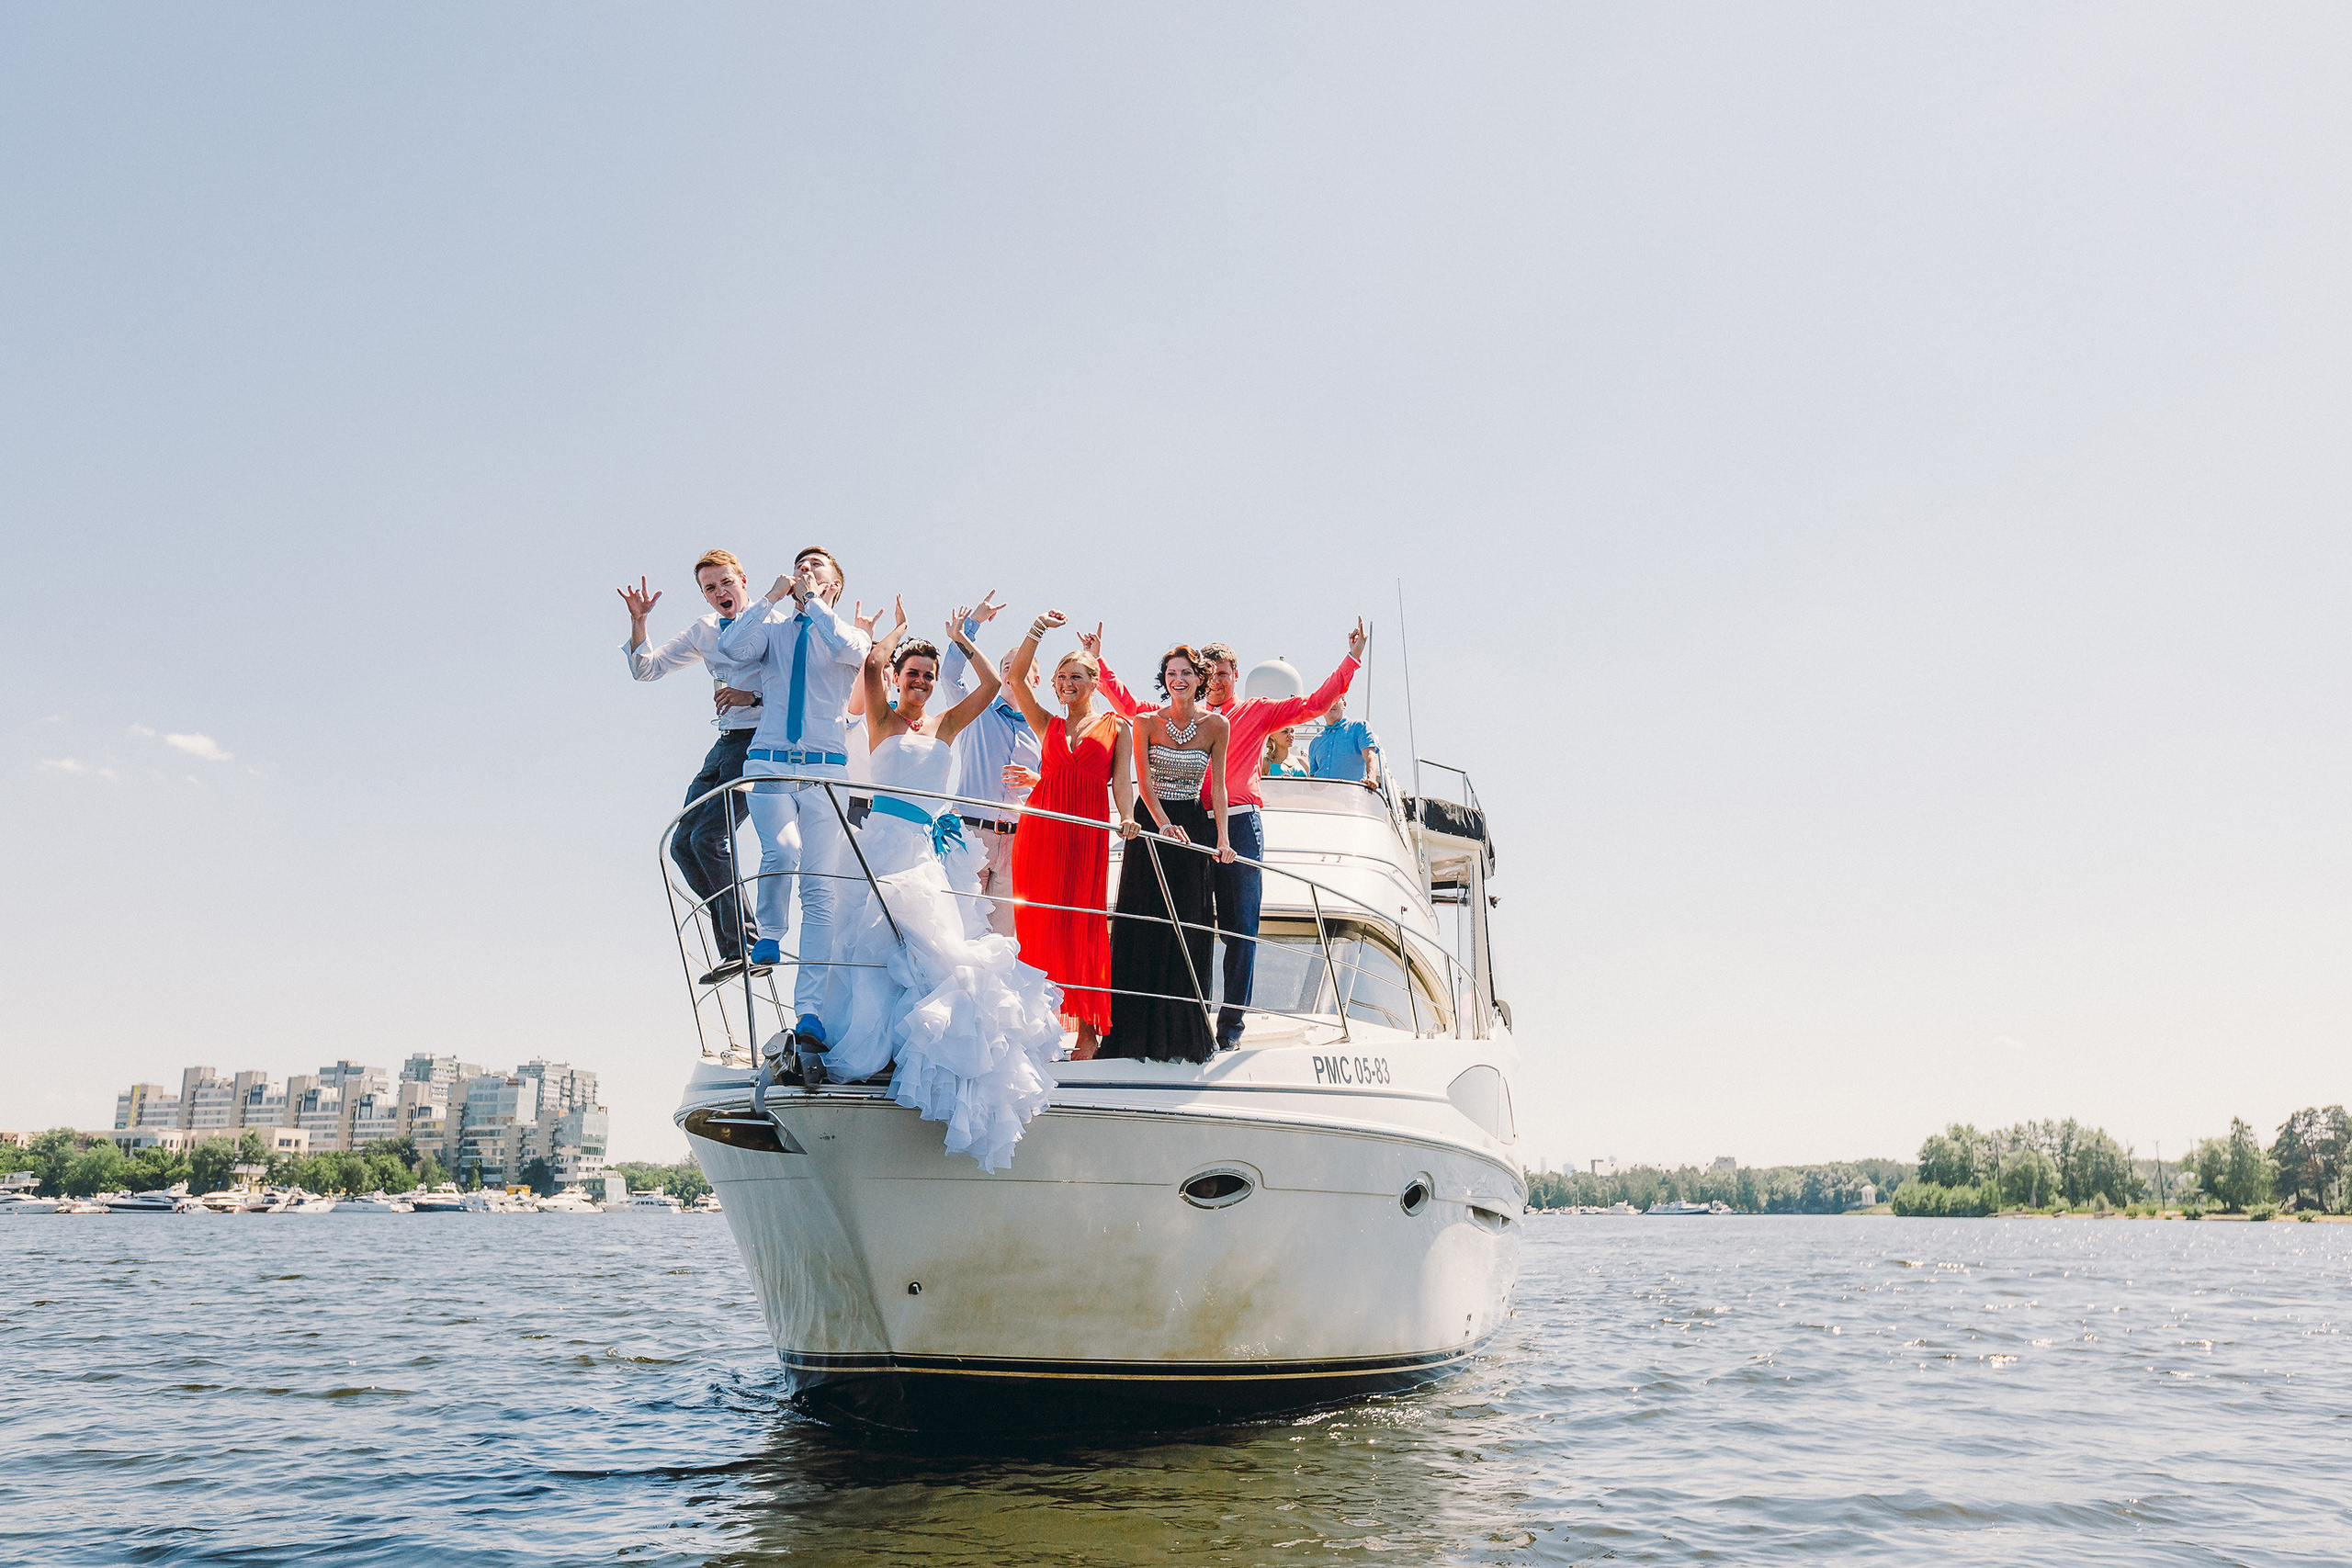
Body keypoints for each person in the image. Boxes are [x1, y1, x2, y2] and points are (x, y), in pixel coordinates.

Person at [814, 607, 1064, 1168]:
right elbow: (874, 660)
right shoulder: (880, 717)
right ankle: (868, 1048)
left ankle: (911, 1054)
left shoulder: (945, 725)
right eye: (914, 673)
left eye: (929, 674)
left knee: (931, 948)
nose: (922, 682)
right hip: (879, 843)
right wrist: (896, 635)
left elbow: (995, 686)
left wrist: (960, 641)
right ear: (900, 678)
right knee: (867, 940)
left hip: (924, 849)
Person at [1096, 618, 1366, 1048]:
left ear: (1234, 676)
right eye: (1211, 673)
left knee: (1240, 928)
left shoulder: (1257, 711)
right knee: (1192, 923)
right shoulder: (1181, 715)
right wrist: (1100, 664)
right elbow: (1130, 705)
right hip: (1189, 823)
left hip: (1237, 822)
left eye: (1224, 673)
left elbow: (1315, 704)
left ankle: (1230, 1029)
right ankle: (1185, 1020)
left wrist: (1351, 659)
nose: (1217, 681)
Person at [712, 547, 872, 1062]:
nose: (804, 571)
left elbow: (852, 648)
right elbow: (735, 649)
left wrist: (815, 605)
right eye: (799, 565)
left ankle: (810, 1013)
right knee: (781, 851)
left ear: (834, 585)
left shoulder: (848, 633)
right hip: (769, 763)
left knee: (820, 892)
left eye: (815, 568)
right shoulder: (775, 629)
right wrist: (771, 598)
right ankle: (772, 933)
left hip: (826, 771)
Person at [617, 550, 766, 985]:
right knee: (684, 843)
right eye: (710, 588)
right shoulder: (704, 630)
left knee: (710, 836)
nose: (720, 592)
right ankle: (733, 946)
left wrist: (752, 697)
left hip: (762, 737)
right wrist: (639, 622)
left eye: (726, 582)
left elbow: (803, 691)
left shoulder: (771, 623)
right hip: (725, 742)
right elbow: (646, 670)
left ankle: (749, 943)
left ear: (743, 579)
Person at [1004, 611, 1137, 1060]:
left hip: (1087, 833)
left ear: (1094, 682)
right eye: (1061, 677)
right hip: (1042, 831)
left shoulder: (1116, 727)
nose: (1066, 684)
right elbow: (1019, 678)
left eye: (1076, 676)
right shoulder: (1048, 724)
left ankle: (1087, 1031)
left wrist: (1127, 817)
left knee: (1083, 925)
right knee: (1040, 924)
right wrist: (1036, 630)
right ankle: (1039, 1025)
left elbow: (1121, 781)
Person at [1100, 646, 1233, 1064]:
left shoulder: (1217, 725)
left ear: (1200, 679)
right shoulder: (1144, 722)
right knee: (1145, 921)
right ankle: (1133, 1032)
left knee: (1188, 925)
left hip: (1193, 827)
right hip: (1153, 824)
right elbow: (1142, 782)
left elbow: (1220, 788)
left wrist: (1223, 839)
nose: (1178, 680)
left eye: (1186, 673)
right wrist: (1161, 824)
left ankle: (1182, 1035)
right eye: (1170, 673)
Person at [938, 591, 1044, 940]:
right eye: (1006, 668)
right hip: (972, 832)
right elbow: (950, 677)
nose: (1013, 673)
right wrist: (972, 625)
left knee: (1003, 939)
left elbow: (1058, 781)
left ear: (1036, 680)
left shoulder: (1045, 729)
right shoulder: (978, 712)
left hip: (1019, 842)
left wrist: (1037, 779)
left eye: (1022, 668)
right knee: (962, 928)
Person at [1306, 694, 1380, 787]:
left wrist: (1371, 779)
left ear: (1344, 704)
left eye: (1335, 700)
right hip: (1322, 799)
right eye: (1326, 701)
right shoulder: (1315, 742)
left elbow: (1370, 756)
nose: (1331, 704)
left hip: (1350, 797)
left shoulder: (1359, 726)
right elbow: (1313, 777)